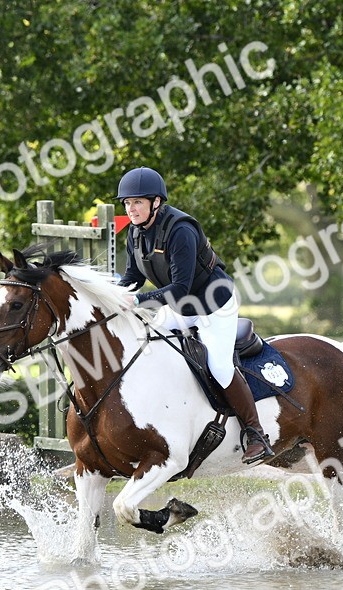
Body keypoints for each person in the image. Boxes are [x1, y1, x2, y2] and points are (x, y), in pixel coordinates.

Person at [115, 166, 274, 464]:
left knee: (219, 366)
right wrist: (113, 296)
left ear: (156, 202)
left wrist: (137, 299)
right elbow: (132, 276)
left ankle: (256, 434)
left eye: (137, 202)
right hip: (180, 307)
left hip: (213, 305)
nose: (131, 208)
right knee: (145, 345)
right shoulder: (135, 232)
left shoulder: (181, 231)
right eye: (127, 203)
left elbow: (179, 288)